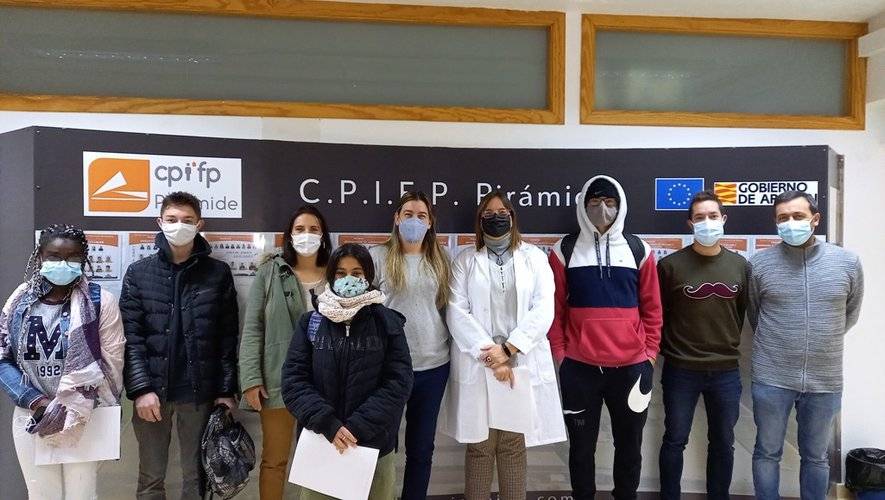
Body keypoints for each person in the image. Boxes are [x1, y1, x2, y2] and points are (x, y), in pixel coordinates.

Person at [445, 191, 567, 500]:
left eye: (503, 212)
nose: (496, 217)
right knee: (480, 446)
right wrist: (492, 355)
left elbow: (544, 309)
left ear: (512, 217)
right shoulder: (465, 261)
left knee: (513, 445)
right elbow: (456, 312)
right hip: (480, 361)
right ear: (480, 220)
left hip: (519, 361)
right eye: (489, 213)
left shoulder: (534, 258)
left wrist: (509, 350)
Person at [547, 175, 662, 500]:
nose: (602, 208)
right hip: (579, 369)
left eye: (610, 202)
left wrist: (649, 355)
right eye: (595, 202)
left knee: (630, 447)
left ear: (620, 205)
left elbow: (653, 308)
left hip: (633, 369)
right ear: (583, 206)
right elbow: (554, 310)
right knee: (581, 449)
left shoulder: (639, 250)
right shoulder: (564, 250)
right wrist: (561, 355)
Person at [120, 191, 239, 500]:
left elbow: (227, 338)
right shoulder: (138, 273)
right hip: (152, 394)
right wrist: (141, 389)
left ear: (199, 224)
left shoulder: (218, 274)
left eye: (187, 220)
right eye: (172, 219)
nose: (179, 225)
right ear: (160, 222)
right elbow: (131, 338)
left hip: (199, 393)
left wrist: (226, 391)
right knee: (150, 478)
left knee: (196, 478)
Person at [748, 191, 864, 500]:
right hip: (771, 377)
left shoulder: (847, 262)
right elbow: (755, 315)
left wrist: (820, 338)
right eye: (783, 218)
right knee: (766, 452)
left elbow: (850, 314)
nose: (790, 222)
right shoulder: (759, 264)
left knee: (816, 456)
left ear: (815, 219)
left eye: (798, 216)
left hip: (824, 379)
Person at [0, 224, 125, 499]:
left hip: (85, 416)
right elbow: (2, 358)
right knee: (41, 495)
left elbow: (112, 365)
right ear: (40, 257)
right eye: (54, 257)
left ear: (84, 260)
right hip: (32, 415)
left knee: (82, 494)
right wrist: (35, 400)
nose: (63, 264)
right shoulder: (20, 300)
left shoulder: (101, 302)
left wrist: (74, 403)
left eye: (72, 258)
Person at [282, 243, 414, 500]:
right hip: (321, 444)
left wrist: (357, 427)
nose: (348, 279)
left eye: (357, 273)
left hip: (373, 448)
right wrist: (329, 424)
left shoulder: (387, 323)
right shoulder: (311, 322)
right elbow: (293, 382)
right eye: (341, 273)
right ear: (331, 276)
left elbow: (399, 382)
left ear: (368, 276)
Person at [656, 191, 748, 500]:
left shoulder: (740, 266)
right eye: (699, 217)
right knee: (674, 440)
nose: (707, 222)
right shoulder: (670, 266)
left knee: (723, 442)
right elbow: (658, 316)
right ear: (690, 223)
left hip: (726, 371)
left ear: (723, 219)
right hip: (681, 369)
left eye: (712, 216)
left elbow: (740, 314)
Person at [239, 205, 332, 499]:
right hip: (277, 379)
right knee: (274, 461)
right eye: (300, 229)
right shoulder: (270, 272)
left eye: (314, 229)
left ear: (324, 236)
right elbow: (252, 328)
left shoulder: (335, 273)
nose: (307, 235)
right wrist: (251, 379)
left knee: (321, 458)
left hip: (325, 383)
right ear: (289, 236)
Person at [369, 191, 451, 500]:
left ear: (430, 223)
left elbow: (449, 310)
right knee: (382, 446)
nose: (414, 220)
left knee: (421, 448)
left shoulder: (441, 259)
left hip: (433, 367)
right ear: (396, 218)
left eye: (421, 215)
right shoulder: (377, 257)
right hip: (388, 368)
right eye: (408, 214)